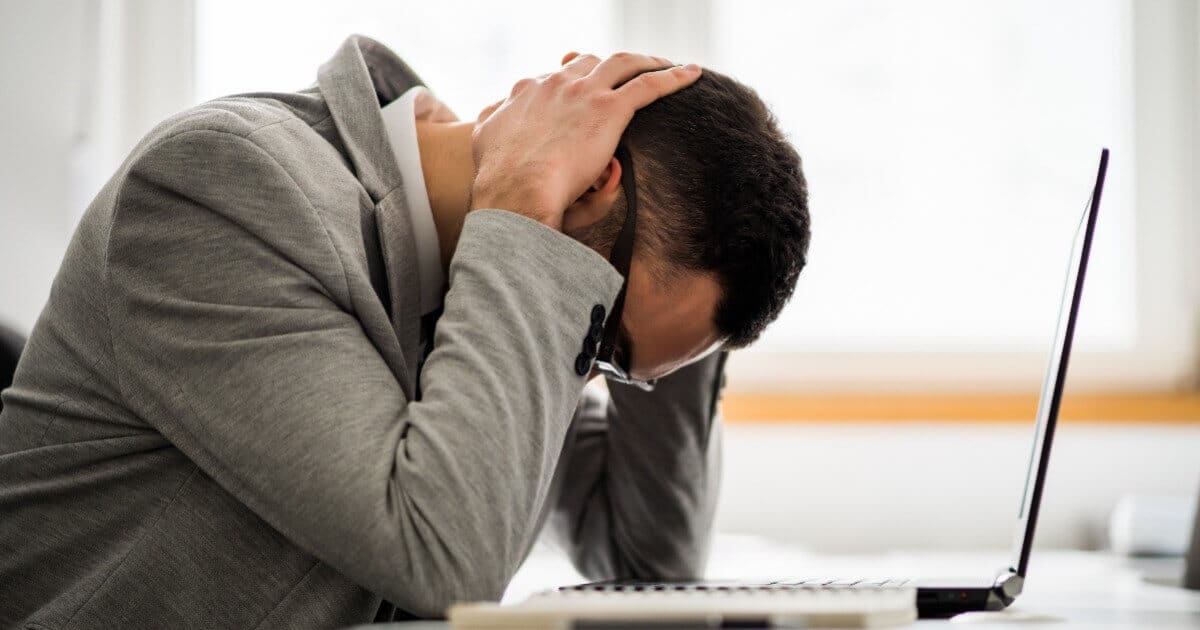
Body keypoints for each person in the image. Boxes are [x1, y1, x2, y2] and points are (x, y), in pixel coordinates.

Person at [0, 35, 810, 628]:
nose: (584, 375)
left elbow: (650, 569)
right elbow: (442, 560)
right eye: (603, 351)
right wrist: (523, 206)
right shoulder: (225, 185)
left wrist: (678, 340)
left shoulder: (498, 265)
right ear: (587, 185)